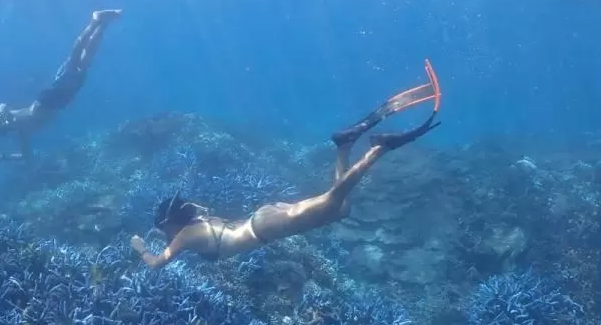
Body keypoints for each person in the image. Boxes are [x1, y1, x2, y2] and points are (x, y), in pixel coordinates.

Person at [130, 59, 442, 270]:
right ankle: (343, 146)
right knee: (341, 209)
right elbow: (175, 234)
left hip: (265, 227)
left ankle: (377, 150)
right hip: (262, 219)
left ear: (172, 225)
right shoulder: (194, 225)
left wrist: (140, 247)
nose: (166, 235)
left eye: (163, 229)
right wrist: (160, 233)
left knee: (333, 203)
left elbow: (157, 263)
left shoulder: (185, 236)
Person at [0, 9, 123, 171]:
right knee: (84, 64)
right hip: (59, 104)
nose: (4, 129)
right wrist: (2, 158)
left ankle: (95, 20)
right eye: (3, 130)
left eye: (0, 127)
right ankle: (102, 24)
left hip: (48, 98)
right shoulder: (22, 133)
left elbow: (2, 106)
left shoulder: (10, 118)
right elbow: (25, 156)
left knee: (74, 59)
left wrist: (1, 114)